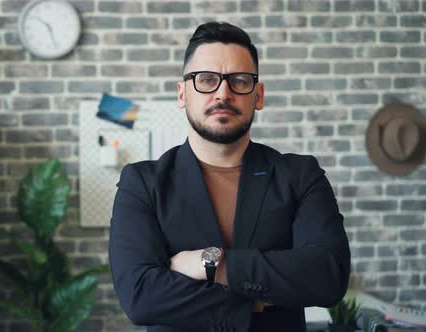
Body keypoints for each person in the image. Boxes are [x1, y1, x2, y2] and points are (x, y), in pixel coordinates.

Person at [108, 22, 351, 332]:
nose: (223, 93)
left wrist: (213, 264)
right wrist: (249, 302)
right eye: (206, 79)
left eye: (239, 81)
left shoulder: (300, 176)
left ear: (258, 96)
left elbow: (327, 276)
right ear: (182, 94)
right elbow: (140, 296)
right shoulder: (142, 183)